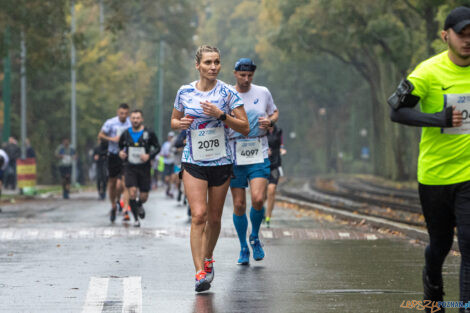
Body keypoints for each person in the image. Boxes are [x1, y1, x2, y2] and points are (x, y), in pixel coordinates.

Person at [389, 7, 470, 313]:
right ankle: (432, 288)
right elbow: (396, 111)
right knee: (440, 245)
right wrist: (437, 119)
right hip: (435, 176)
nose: (467, 40)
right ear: (445, 35)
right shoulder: (427, 72)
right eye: (461, 34)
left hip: (469, 176)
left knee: (469, 244)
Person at [171, 45, 249, 292]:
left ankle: (208, 257)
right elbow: (174, 120)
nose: (213, 66)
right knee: (199, 216)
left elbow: (245, 127)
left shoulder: (227, 92)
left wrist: (221, 115)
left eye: (216, 62)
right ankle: (199, 273)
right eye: (208, 62)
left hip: (221, 161)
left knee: (214, 218)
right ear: (198, 65)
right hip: (193, 160)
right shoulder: (184, 92)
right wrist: (179, 123)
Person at [228, 58, 279, 265]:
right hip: (234, 152)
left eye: (250, 76)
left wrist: (271, 121)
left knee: (258, 198)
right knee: (239, 204)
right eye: (242, 75)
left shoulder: (263, 92)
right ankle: (242, 247)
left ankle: (255, 236)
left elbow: (274, 111)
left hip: (258, 150)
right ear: (235, 74)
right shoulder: (226, 94)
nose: (246, 79)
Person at [118, 109, 160, 227]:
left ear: (141, 119)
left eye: (138, 118)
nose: (135, 120)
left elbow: (158, 147)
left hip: (144, 168)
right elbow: (120, 147)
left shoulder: (149, 133)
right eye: (133, 118)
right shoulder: (126, 133)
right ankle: (136, 219)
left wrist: (149, 155)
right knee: (132, 192)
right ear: (130, 120)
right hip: (130, 167)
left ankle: (140, 204)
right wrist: (120, 153)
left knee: (144, 196)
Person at [98, 103, 131, 223]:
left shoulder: (130, 123)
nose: (124, 115)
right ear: (118, 112)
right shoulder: (110, 123)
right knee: (112, 183)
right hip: (112, 155)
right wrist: (112, 139)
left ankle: (125, 210)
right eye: (121, 113)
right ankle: (113, 205)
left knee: (124, 183)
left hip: (125, 156)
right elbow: (100, 135)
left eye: (126, 113)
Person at [265, 124, 284, 228]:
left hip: (275, 165)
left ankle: (268, 216)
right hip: (263, 164)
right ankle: (261, 210)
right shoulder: (260, 130)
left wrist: (281, 150)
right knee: (262, 194)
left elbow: (281, 144)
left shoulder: (278, 130)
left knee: (271, 190)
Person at [160, 131, 176, 197]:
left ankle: (171, 191)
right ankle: (168, 188)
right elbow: (161, 153)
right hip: (166, 163)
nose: (171, 138)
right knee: (167, 179)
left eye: (172, 137)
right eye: (170, 137)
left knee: (173, 178)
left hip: (173, 162)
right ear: (168, 137)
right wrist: (166, 155)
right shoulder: (165, 144)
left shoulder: (175, 143)